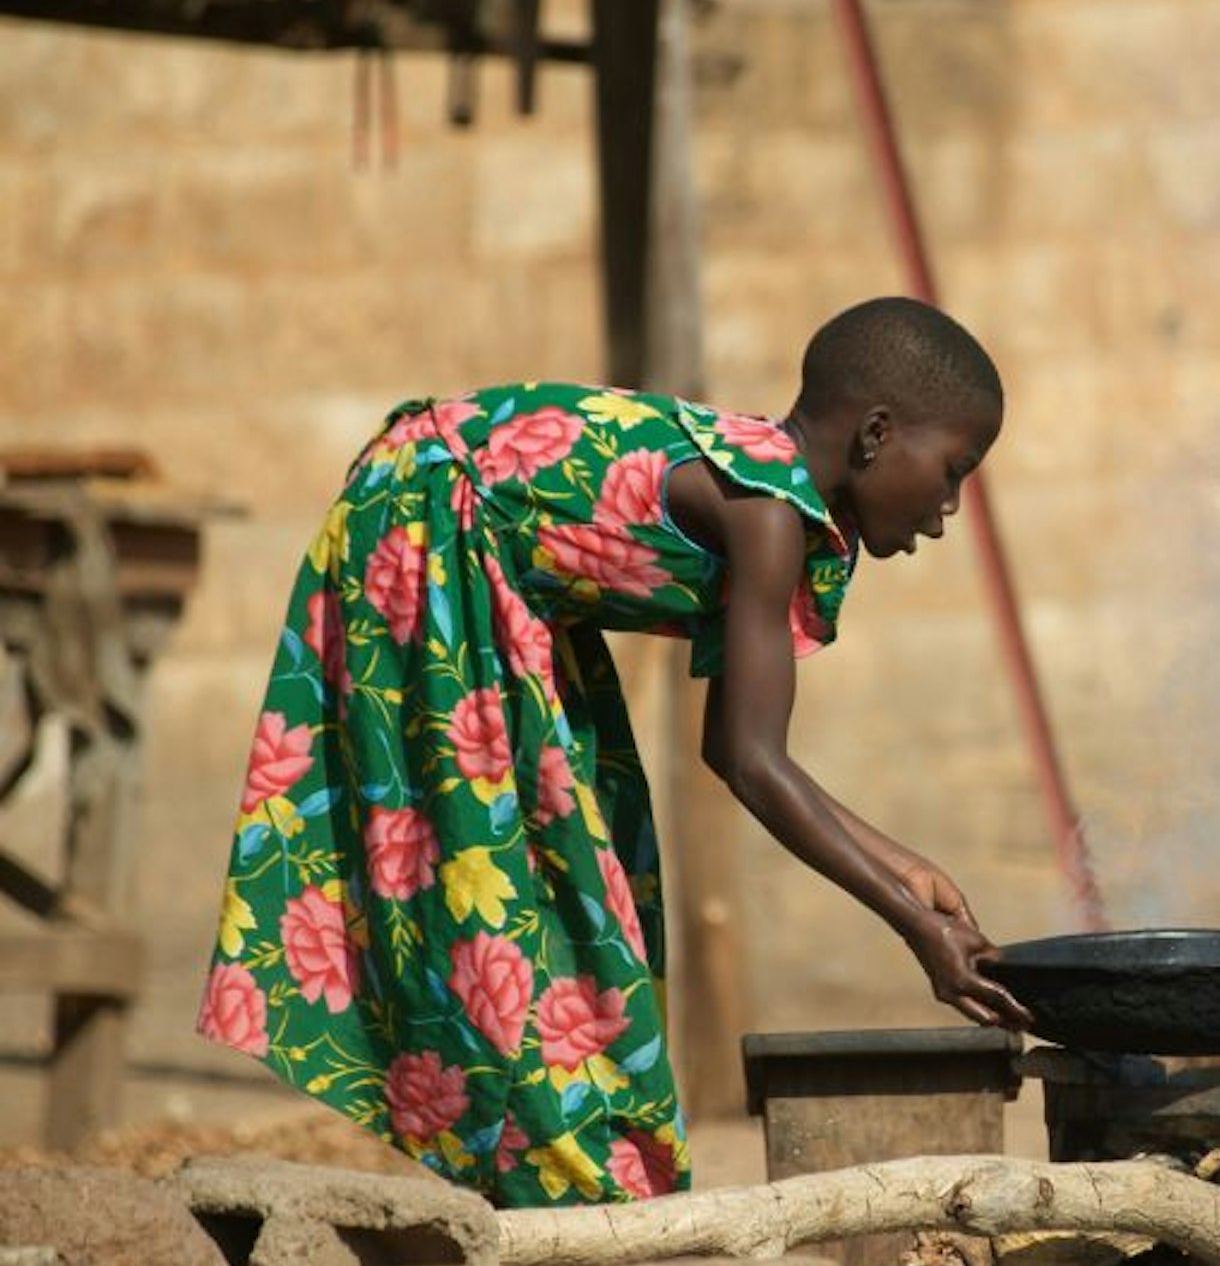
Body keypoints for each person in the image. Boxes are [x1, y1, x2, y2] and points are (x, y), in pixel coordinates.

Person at [196, 296, 1029, 1207]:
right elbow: (750, 759)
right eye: (953, 472)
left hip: (503, 575)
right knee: (503, 890)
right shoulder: (766, 513)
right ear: (876, 433)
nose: (948, 511)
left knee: (599, 871)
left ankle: (575, 1175)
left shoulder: (775, 491)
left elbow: (741, 751)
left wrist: (908, 869)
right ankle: (559, 1183)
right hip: (431, 525)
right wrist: (915, 927)